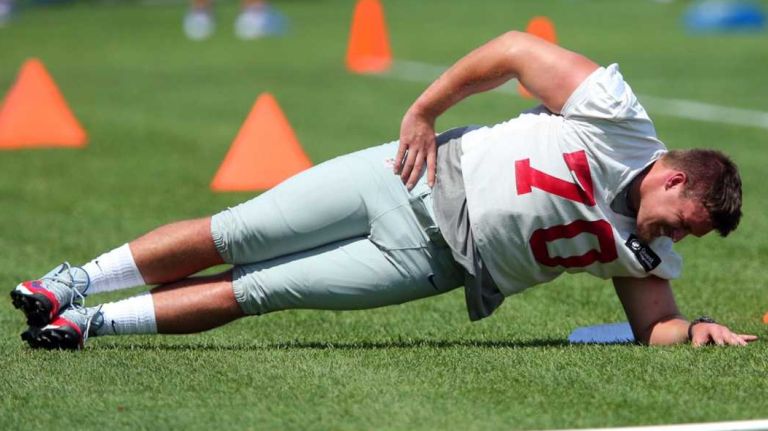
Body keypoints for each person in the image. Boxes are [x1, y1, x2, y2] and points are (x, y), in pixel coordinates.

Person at [11, 31, 757, 350]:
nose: (676, 237)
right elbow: (512, 50)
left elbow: (653, 324)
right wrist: (426, 109)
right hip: (410, 175)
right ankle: (68, 284)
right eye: (684, 220)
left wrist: (698, 332)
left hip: (430, 265)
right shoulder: (618, 120)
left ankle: (90, 325)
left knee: (262, 290)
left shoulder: (647, 255)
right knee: (236, 231)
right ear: (674, 175)